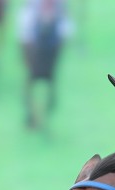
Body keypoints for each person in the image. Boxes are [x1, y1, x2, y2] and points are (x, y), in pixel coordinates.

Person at [17, 0, 72, 130]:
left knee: (47, 83)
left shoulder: (59, 7)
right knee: (31, 81)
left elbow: (65, 29)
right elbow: (25, 29)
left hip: (50, 48)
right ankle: (33, 114)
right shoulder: (32, 8)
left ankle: (44, 115)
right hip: (36, 47)